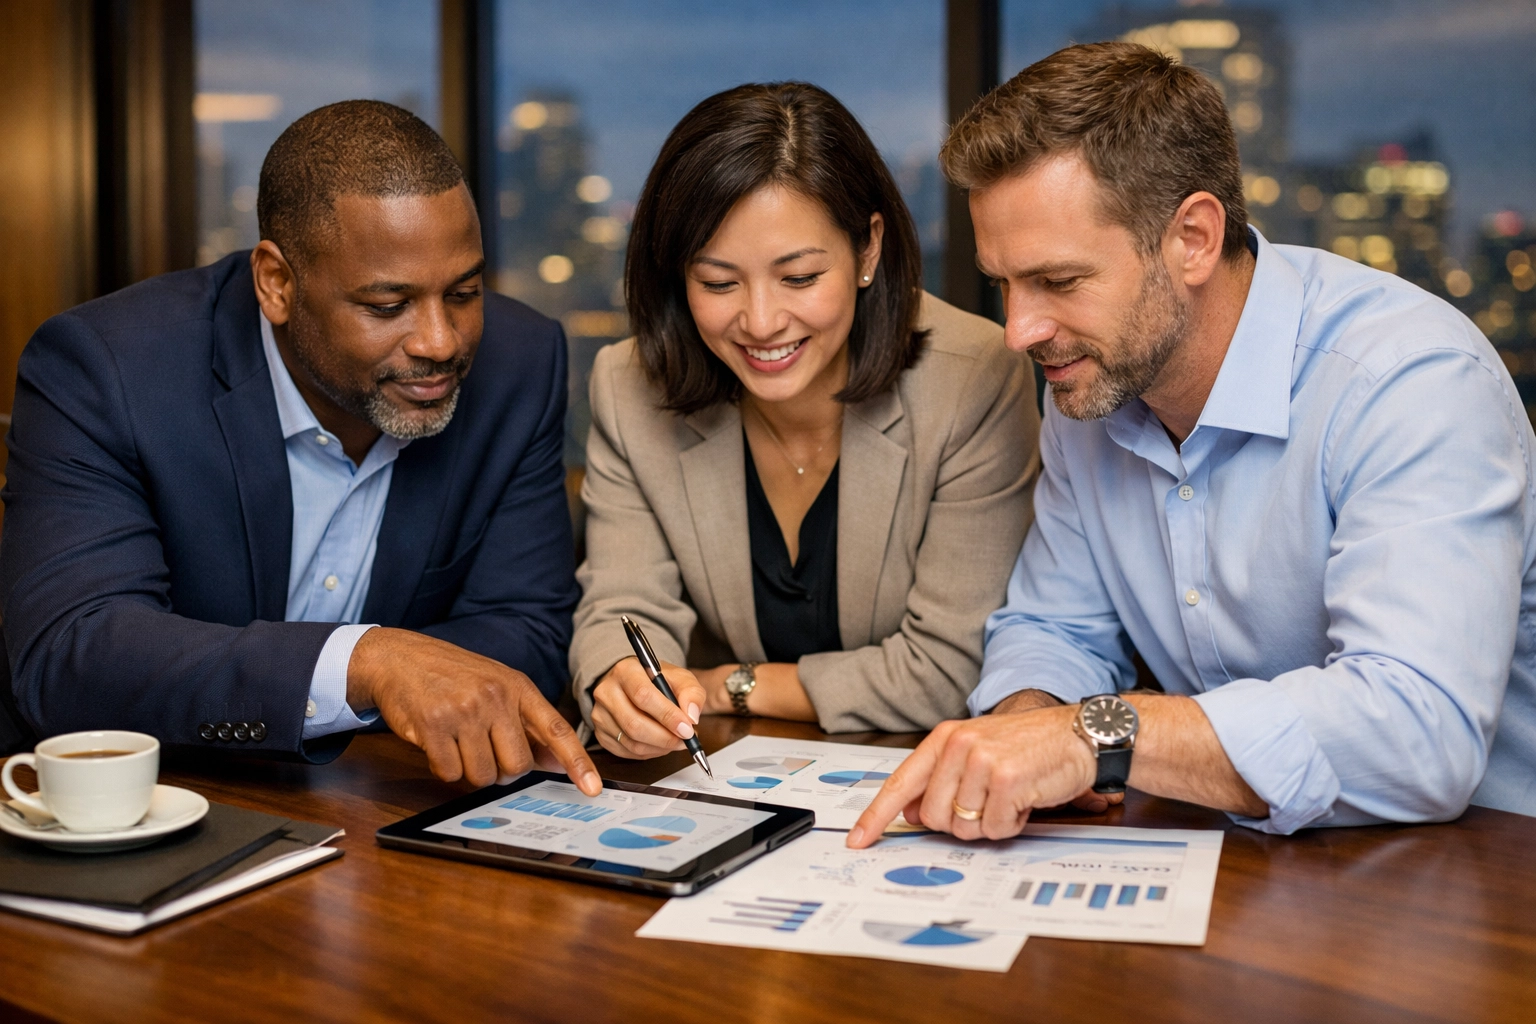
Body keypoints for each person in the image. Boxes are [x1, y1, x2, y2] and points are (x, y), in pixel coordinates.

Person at [850, 42, 1536, 848]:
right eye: (1004, 282)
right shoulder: (1090, 384)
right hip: (1237, 868)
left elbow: (1419, 734)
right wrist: (1027, 728)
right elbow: (1054, 630)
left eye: (1059, 282)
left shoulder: (1409, 382)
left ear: (1195, 238)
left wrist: (1095, 738)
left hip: (1477, 878)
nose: (1019, 330)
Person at [0, 100, 599, 794]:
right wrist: (363, 664)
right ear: (277, 283)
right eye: (386, 306)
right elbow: (72, 650)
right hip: (142, 805)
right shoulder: (108, 368)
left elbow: (526, 631)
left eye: (463, 292)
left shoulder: (520, 364)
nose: (440, 341)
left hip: (381, 803)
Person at [570, 82, 1039, 758]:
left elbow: (946, 669)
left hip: (910, 778)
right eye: (719, 283)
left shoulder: (972, 379)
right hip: (725, 787)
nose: (760, 322)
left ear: (868, 250)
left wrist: (731, 684)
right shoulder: (627, 386)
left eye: (797, 278)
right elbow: (620, 609)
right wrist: (622, 684)